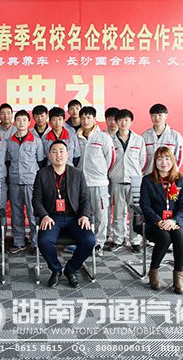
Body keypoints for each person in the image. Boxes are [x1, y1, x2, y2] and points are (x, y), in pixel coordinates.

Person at [33, 140, 95, 288]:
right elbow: (36, 199)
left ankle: (71, 270)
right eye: (54, 151)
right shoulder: (42, 174)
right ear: (49, 155)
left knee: (89, 240)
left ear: (67, 155)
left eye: (61, 151)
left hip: (75, 217)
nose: (58, 155)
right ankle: (56, 270)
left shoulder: (77, 174)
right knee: (44, 241)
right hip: (52, 217)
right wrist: (44, 215)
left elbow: (85, 198)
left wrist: (85, 215)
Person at [140, 147, 183, 294]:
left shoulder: (180, 179)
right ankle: (153, 271)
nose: (164, 163)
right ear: (155, 162)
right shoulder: (148, 180)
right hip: (154, 223)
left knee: (179, 234)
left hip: (174, 222)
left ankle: (178, 276)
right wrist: (159, 221)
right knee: (164, 236)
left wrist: (174, 220)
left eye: (167, 159)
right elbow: (145, 206)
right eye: (160, 159)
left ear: (172, 161)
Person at [106, 109, 146, 253]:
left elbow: (142, 161)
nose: (123, 123)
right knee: (118, 212)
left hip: (134, 181)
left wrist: (134, 173)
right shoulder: (110, 140)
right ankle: (118, 239)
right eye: (120, 120)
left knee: (136, 213)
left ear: (131, 122)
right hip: (116, 180)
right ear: (116, 122)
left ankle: (135, 241)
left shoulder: (139, 140)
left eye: (126, 120)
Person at [76, 106, 114, 256]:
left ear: (94, 119)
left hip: (99, 183)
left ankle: (99, 243)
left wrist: (100, 173)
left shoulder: (103, 137)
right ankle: (85, 241)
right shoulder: (76, 136)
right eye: (83, 118)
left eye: (89, 117)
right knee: (83, 214)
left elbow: (110, 159)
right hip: (81, 183)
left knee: (100, 215)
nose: (85, 121)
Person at [6, 110, 45, 253]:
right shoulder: (9, 141)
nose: (21, 123)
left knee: (33, 213)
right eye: (18, 120)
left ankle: (36, 242)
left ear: (29, 122)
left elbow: (40, 161)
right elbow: (7, 162)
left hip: (31, 182)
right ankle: (18, 242)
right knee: (16, 213)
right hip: (14, 181)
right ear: (14, 122)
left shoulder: (36, 141)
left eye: (24, 120)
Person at [142, 103, 183, 175]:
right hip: (150, 174)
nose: (157, 118)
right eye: (153, 115)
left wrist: (173, 170)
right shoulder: (145, 135)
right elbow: (141, 156)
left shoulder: (175, 135)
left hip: (169, 175)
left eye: (160, 115)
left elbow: (180, 156)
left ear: (166, 115)